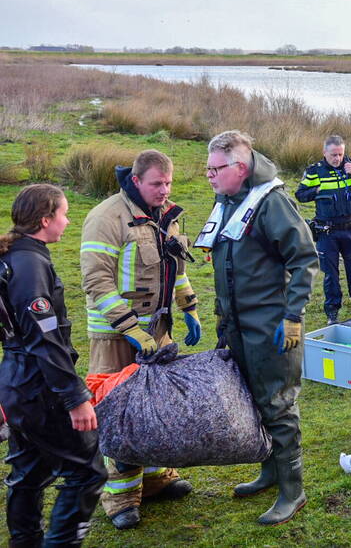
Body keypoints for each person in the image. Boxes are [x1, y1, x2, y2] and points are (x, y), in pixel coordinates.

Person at [196, 130, 318, 525]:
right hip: (236, 324)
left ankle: (292, 490)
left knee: (278, 404)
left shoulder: (272, 203)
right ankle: (270, 471)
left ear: (241, 168)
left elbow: (304, 259)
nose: (209, 175)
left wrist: (293, 316)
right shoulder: (228, 199)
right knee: (252, 398)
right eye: (208, 168)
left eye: (216, 169)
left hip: (272, 325)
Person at [80, 150, 199, 529]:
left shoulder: (170, 216)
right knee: (120, 414)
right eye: (156, 184)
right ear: (136, 181)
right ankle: (120, 497)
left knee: (157, 409)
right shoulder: (106, 217)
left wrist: (190, 307)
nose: (164, 190)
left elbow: (176, 268)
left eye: (168, 183)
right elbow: (96, 281)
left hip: (158, 332)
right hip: (115, 335)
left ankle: (156, 478)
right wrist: (129, 327)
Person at [0, 184, 107, 547]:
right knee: (87, 472)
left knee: (28, 472)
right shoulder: (29, 266)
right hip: (39, 387)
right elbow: (44, 340)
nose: (68, 219)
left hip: (17, 383)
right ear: (45, 220)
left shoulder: (14, 256)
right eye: (63, 213)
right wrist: (75, 397)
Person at [295, 134, 351, 324]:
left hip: (350, 230)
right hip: (326, 232)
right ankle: (332, 313)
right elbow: (300, 195)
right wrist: (317, 190)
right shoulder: (315, 171)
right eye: (333, 155)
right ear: (324, 153)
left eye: (340, 154)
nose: (337, 159)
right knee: (331, 275)